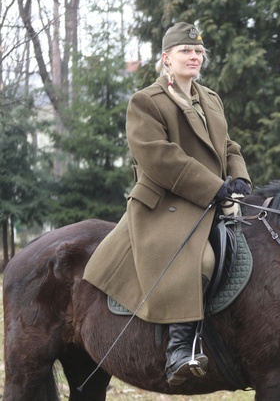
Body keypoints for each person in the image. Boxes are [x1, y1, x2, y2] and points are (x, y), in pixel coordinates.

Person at [83, 22, 253, 385]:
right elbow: (158, 158)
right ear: (166, 59)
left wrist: (238, 176)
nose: (193, 57)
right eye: (185, 51)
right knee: (200, 257)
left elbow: (228, 146)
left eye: (198, 52)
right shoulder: (146, 101)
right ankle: (180, 347)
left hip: (212, 198)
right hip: (165, 205)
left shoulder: (210, 98)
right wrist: (213, 186)